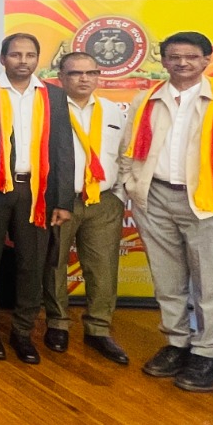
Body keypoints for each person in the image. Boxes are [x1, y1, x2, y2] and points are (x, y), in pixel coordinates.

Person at [119, 31, 213, 393]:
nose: (182, 63)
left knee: (209, 282)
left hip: (207, 204)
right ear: (163, 60)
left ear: (207, 60)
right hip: (155, 199)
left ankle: (207, 353)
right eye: (174, 56)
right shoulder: (147, 100)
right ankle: (177, 343)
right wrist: (131, 184)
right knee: (167, 279)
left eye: (191, 57)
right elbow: (128, 150)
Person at [0, 34, 74, 364]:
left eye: (30, 55)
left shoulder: (54, 95)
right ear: (2, 58)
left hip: (37, 194)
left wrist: (63, 201)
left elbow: (64, 150)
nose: (23, 60)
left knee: (32, 265)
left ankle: (23, 332)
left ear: (38, 59)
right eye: (16, 54)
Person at [44, 52, 131, 365]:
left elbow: (124, 153)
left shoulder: (113, 110)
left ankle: (98, 328)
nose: (84, 79)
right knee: (55, 263)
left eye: (91, 73)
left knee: (103, 267)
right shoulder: (48, 109)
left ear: (98, 76)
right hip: (60, 200)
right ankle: (58, 323)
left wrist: (119, 194)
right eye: (75, 73)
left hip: (103, 201)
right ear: (61, 77)